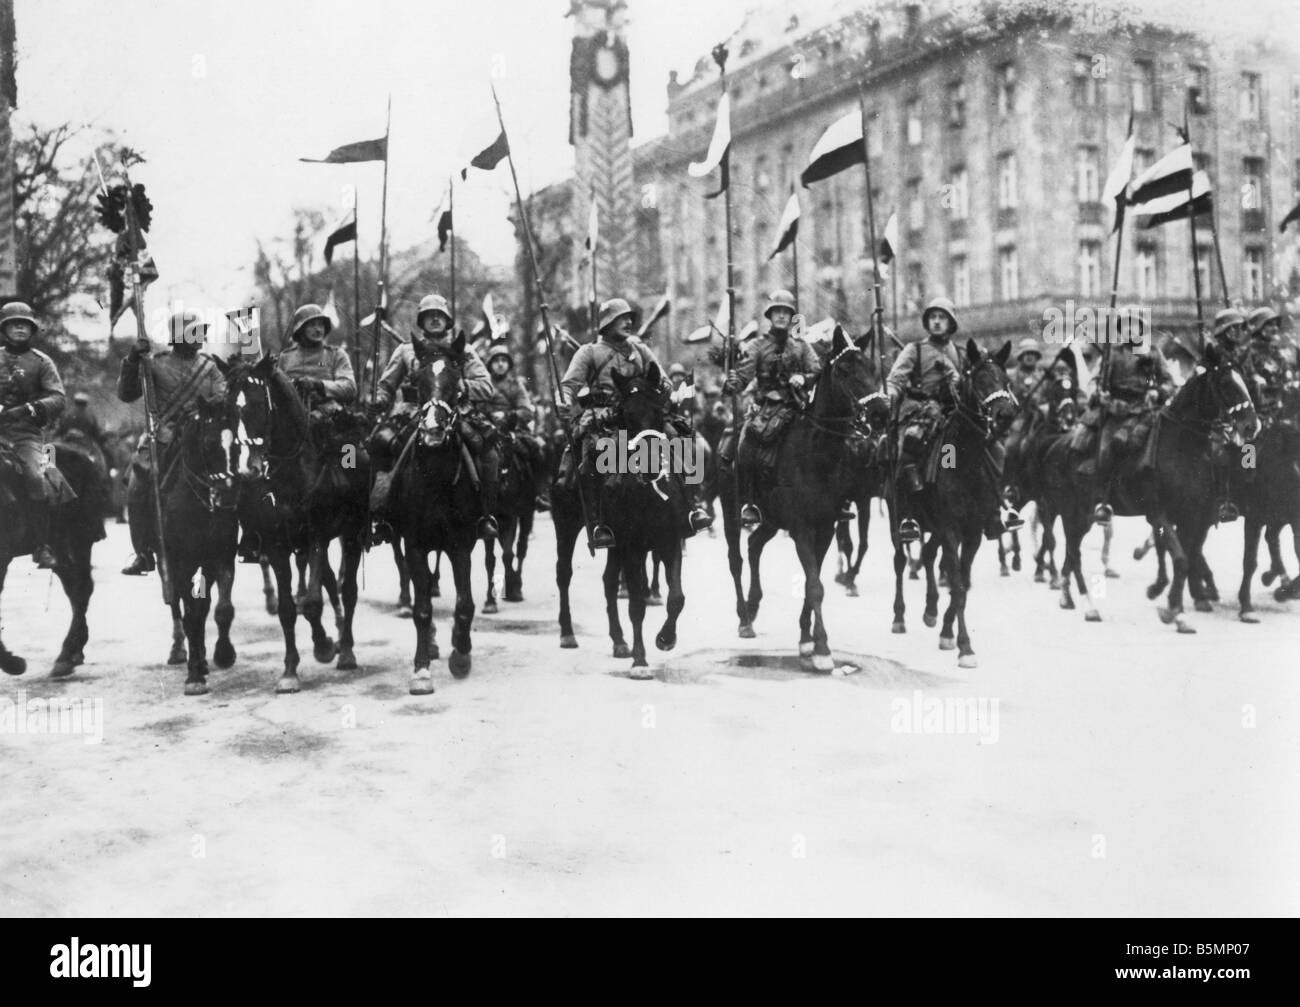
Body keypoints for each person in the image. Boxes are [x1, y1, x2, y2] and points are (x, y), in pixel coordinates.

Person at [560, 297, 711, 548]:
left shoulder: (639, 349)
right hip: (605, 420)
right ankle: (599, 523)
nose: (628, 322)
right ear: (607, 322)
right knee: (594, 456)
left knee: (681, 442)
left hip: (641, 417)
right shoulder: (589, 352)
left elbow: (664, 380)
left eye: (630, 318)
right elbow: (569, 385)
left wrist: (658, 390)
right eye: (622, 318)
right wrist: (564, 400)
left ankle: (692, 506)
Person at [369, 293, 500, 540]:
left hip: (454, 412)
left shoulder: (464, 350)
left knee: (489, 451)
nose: (435, 319)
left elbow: (486, 386)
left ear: (448, 320)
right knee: (379, 444)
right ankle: (383, 514)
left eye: (440, 315)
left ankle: (485, 515)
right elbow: (386, 385)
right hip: (411, 412)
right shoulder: (406, 350)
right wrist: (379, 400)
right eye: (430, 316)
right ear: (422, 321)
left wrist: (460, 385)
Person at [117, 309, 227, 574]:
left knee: (234, 472)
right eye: (194, 332)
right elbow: (126, 393)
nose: (200, 336)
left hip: (202, 435)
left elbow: (222, 395)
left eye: (201, 332)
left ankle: (241, 538)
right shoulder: (154, 364)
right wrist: (133, 359)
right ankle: (143, 552)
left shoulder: (210, 367)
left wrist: (203, 410)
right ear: (178, 336)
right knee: (137, 485)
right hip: (163, 435)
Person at [721, 289, 820, 528]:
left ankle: (830, 499)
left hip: (797, 407)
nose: (782, 316)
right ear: (770, 315)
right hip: (766, 410)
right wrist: (733, 382)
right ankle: (750, 503)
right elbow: (743, 377)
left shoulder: (802, 346)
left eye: (786, 312)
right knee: (745, 446)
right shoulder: (757, 346)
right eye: (777, 312)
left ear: (792, 317)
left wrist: (804, 378)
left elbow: (817, 370)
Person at [885, 297, 962, 543]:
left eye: (942, 317)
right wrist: (889, 395)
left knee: (969, 451)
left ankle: (993, 508)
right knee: (910, 445)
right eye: (933, 317)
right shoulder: (914, 349)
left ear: (950, 323)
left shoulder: (958, 353)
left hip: (950, 414)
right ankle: (909, 514)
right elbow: (895, 380)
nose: (937, 322)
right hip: (918, 413)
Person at [1090, 316, 1176, 526]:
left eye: (1135, 326)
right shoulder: (1112, 353)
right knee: (1106, 451)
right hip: (1118, 412)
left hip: (1148, 411)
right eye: (1126, 327)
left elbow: (1169, 382)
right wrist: (1100, 394)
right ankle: (1104, 500)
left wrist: (1158, 392)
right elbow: (1095, 382)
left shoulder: (1153, 352)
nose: (1131, 330)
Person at [0, 301, 66, 569]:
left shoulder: (42, 362)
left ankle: (42, 544)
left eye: (24, 324)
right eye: (13, 324)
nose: (19, 328)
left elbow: (58, 398)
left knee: (36, 476)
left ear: (32, 329)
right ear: (4, 329)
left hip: (25, 435)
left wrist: (30, 408)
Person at [482, 342, 550, 511]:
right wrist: (488, 415)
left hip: (512, 429)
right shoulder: (483, 384)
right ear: (490, 364)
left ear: (509, 364)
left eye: (503, 360)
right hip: (485, 428)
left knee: (537, 452)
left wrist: (508, 416)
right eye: (496, 360)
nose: (500, 364)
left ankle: (540, 494)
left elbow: (526, 411)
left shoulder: (515, 385)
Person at [276, 303, 356, 421]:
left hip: (330, 418)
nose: (318, 329)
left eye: (320, 325)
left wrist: (319, 385)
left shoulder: (336, 355)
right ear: (300, 329)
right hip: (292, 418)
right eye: (312, 325)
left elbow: (350, 388)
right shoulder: (285, 358)